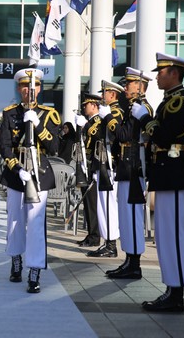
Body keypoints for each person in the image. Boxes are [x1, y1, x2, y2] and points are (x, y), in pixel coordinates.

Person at [132, 52, 184, 312]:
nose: (157, 76)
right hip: (166, 174)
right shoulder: (169, 102)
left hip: (175, 173)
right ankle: (171, 287)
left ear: (175, 73)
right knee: (165, 236)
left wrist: (145, 120)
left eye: (161, 71)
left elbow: (167, 136)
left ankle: (176, 293)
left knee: (174, 236)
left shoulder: (179, 102)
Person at [0, 68, 60, 293]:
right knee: (15, 220)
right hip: (18, 175)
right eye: (25, 86)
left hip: (40, 175)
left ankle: (34, 269)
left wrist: (38, 125)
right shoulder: (9, 113)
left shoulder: (48, 114)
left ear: (40, 88)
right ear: (19, 89)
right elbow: (4, 147)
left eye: (33, 86)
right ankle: (16, 260)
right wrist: (16, 168)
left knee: (35, 225)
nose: (29, 90)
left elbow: (55, 147)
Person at [107, 68, 154, 279]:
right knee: (125, 216)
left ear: (140, 86)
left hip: (135, 168)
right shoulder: (133, 107)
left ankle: (135, 264)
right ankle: (128, 260)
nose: (125, 87)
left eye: (130, 84)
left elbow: (124, 134)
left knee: (133, 217)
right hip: (126, 167)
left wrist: (110, 120)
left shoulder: (142, 108)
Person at [86, 81, 124, 258]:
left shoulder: (116, 113)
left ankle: (111, 244)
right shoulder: (105, 112)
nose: (102, 96)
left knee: (108, 206)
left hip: (110, 165)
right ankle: (107, 242)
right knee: (103, 206)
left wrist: (105, 118)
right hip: (101, 164)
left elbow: (116, 134)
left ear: (113, 94)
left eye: (105, 93)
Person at [75, 93, 103, 248]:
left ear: (94, 105)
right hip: (86, 164)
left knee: (92, 202)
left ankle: (95, 235)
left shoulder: (98, 120)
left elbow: (100, 137)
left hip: (93, 164)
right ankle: (91, 233)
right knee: (88, 202)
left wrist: (85, 126)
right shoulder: (89, 121)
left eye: (86, 105)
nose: (84, 107)